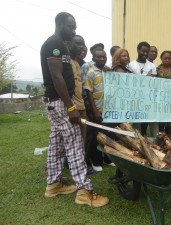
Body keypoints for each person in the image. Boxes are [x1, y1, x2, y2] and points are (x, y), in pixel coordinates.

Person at [40, 12, 109, 207]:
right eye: (71, 26)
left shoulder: (59, 45)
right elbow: (57, 77)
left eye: (75, 27)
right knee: (75, 145)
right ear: (60, 24)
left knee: (57, 143)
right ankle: (84, 190)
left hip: (56, 102)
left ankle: (53, 184)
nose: (74, 30)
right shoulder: (54, 44)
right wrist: (71, 106)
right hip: (61, 103)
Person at [84, 49, 116, 171]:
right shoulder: (91, 72)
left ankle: (108, 159)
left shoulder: (108, 71)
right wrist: (95, 111)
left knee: (109, 134)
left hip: (108, 110)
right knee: (97, 136)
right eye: (99, 57)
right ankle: (96, 162)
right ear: (94, 58)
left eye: (104, 56)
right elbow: (88, 92)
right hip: (97, 109)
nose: (102, 59)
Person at [128, 41, 158, 136]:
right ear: (138, 50)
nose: (145, 54)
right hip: (136, 99)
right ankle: (138, 142)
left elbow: (153, 82)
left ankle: (156, 141)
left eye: (147, 52)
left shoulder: (152, 66)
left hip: (149, 99)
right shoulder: (131, 65)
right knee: (137, 124)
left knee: (153, 122)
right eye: (143, 51)